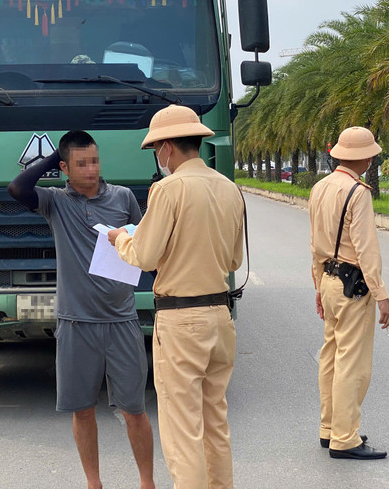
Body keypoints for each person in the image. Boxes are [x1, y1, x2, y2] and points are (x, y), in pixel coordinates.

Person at [7, 130, 155, 489]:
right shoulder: (56, 202)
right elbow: (17, 189)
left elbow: (143, 242)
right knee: (82, 408)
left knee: (135, 410)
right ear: (64, 168)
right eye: (81, 163)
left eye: (95, 161)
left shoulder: (121, 197)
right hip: (75, 323)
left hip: (121, 320)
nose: (91, 169)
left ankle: (147, 482)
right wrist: (50, 159)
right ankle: (94, 483)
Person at [107, 105, 244, 489]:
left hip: (181, 320)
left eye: (156, 149)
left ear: (166, 148)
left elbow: (145, 256)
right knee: (215, 421)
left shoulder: (168, 189)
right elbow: (234, 258)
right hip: (220, 315)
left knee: (183, 431)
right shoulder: (229, 188)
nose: (158, 157)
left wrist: (122, 239)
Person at [308, 126, 389, 460]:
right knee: (352, 362)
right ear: (364, 158)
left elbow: (314, 243)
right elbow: (366, 250)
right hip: (353, 286)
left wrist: (318, 285)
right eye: (371, 154)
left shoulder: (320, 187)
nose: (373, 158)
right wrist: (382, 295)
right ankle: (345, 438)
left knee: (331, 356)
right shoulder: (358, 193)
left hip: (329, 281)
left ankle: (329, 429)